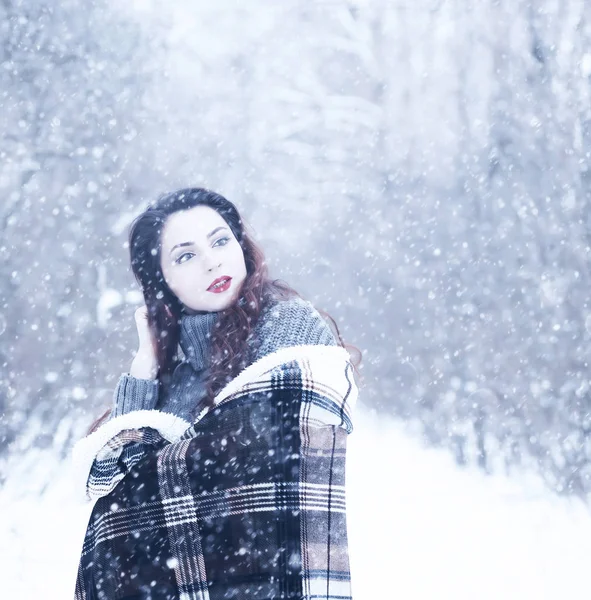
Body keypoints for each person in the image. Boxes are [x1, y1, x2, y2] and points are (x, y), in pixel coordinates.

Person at [72, 187, 362, 599]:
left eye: (220, 240)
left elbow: (261, 476)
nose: (212, 261)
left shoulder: (287, 328)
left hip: (267, 580)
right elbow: (111, 492)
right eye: (185, 255)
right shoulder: (173, 372)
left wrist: (164, 464)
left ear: (240, 246)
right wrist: (144, 372)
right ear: (163, 280)